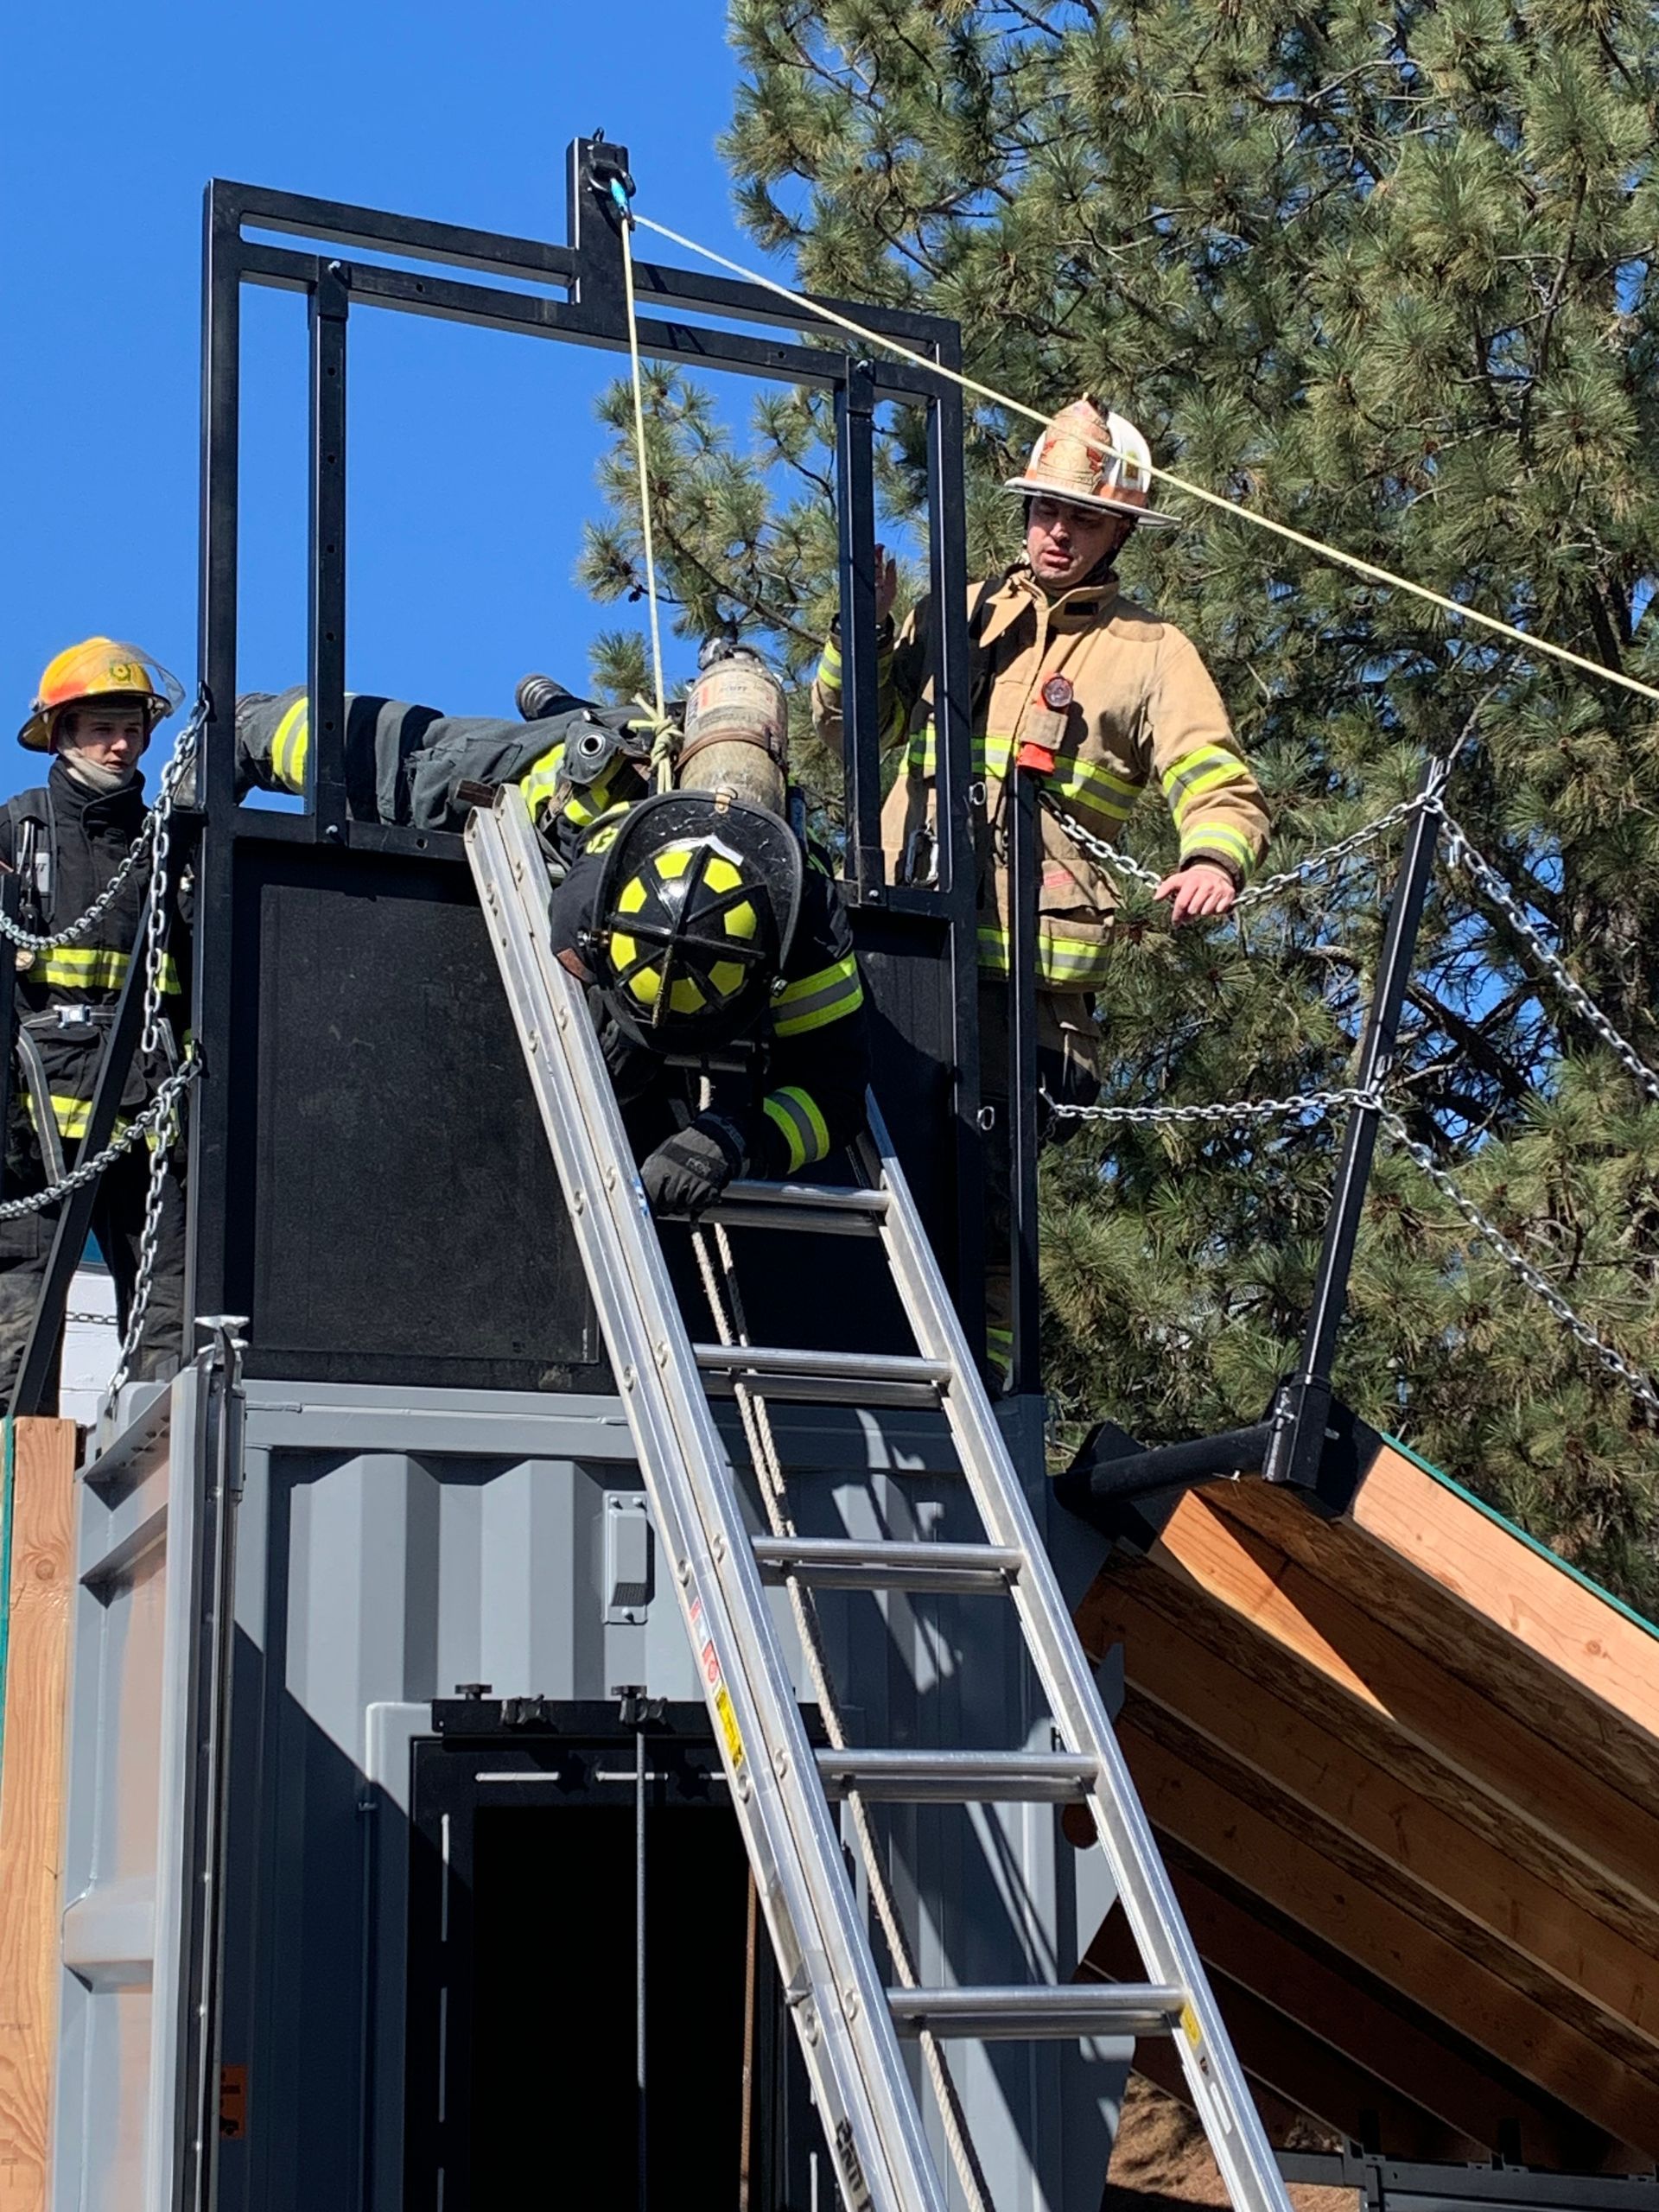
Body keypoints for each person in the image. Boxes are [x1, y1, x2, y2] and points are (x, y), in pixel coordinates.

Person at [811, 396, 1271, 1375]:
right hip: (900, 945)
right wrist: (862, 634)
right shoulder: (958, 612)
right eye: (1043, 510)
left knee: (981, 1200)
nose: (1056, 531)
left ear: (1122, 531)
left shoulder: (1151, 654)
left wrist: (1212, 857)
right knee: (852, 1150)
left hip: (1029, 995)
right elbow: (857, 733)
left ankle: (991, 1389)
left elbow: (1217, 778)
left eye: (1083, 516)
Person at [549, 650, 870, 1218]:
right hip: (561, 765)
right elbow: (566, 950)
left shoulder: (808, 924)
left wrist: (733, 1139)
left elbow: (836, 1096)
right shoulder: (591, 895)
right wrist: (623, 1036)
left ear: (767, 973)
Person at [0, 639, 192, 1402]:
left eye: (132, 728)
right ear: (59, 734)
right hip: (28, 1127)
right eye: (100, 728)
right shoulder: (16, 839)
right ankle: (19, 1494)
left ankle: (166, 1474)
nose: (120, 744)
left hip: (149, 1110)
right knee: (21, 1313)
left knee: (169, 1294)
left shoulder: (173, 846)